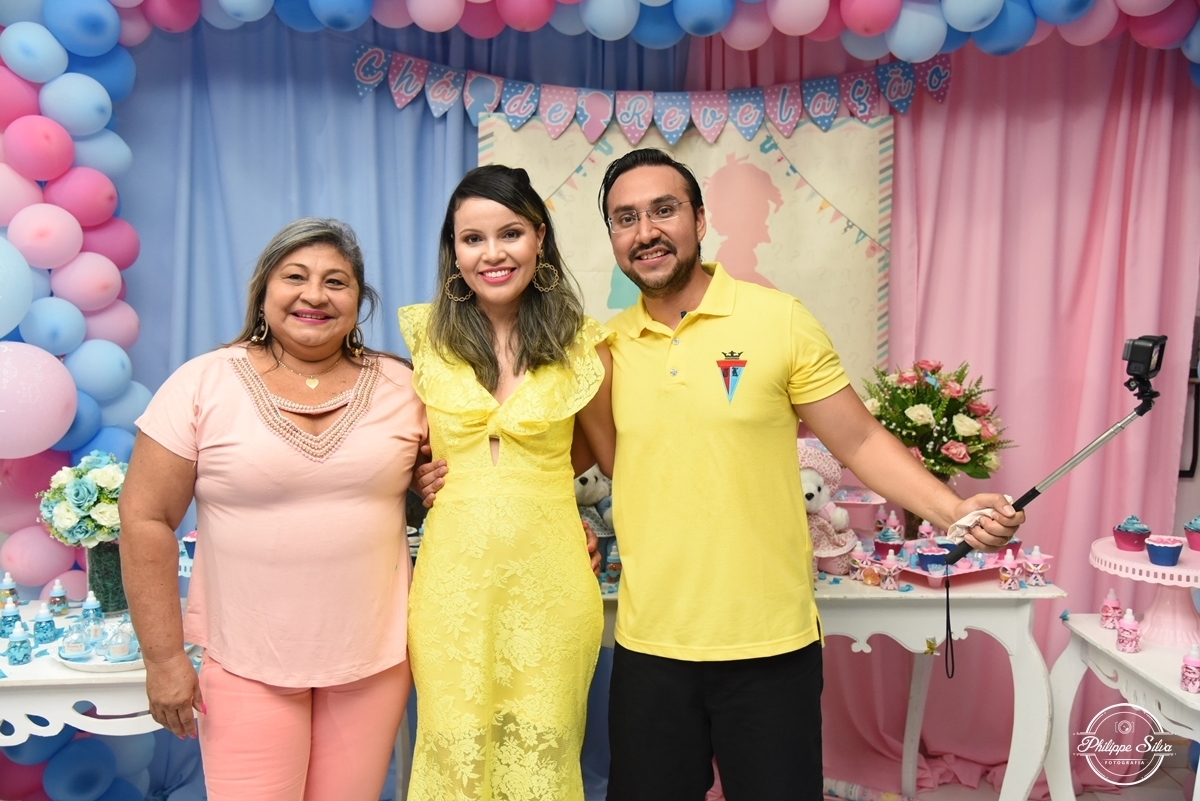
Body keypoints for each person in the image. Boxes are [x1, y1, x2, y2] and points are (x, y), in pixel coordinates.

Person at [418, 149, 1024, 801]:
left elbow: (860, 438)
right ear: (612, 238)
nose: (646, 231)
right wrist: (441, 478)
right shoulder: (601, 351)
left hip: (771, 645)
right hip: (650, 648)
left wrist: (952, 509)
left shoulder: (779, 319)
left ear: (701, 219)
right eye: (626, 218)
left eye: (664, 210)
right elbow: (555, 460)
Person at [120, 219, 425, 801]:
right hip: (245, 661)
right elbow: (145, 519)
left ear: (358, 300)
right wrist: (162, 658)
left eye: (336, 281)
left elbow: (445, 485)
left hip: (373, 663)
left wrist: (433, 482)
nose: (315, 294)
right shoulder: (202, 383)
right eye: (295, 277)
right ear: (263, 291)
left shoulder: (404, 386)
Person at [398, 164, 615, 801]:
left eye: (510, 233)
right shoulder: (425, 340)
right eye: (473, 238)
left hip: (551, 582)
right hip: (451, 586)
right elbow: (397, 453)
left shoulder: (584, 346)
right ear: (454, 249)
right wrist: (417, 480)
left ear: (539, 238)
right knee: (453, 755)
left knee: (544, 757)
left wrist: (548, 507)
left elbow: (607, 460)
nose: (492, 253)